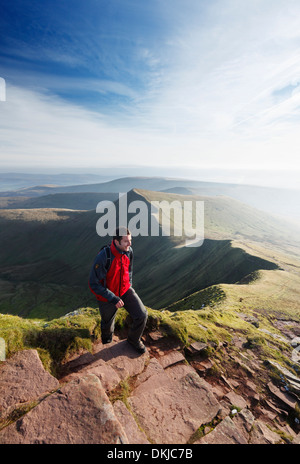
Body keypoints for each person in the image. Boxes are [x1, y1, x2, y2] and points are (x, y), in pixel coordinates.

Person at [89, 227, 148, 354]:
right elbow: (94, 284)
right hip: (107, 297)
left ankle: (133, 340)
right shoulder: (104, 256)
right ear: (116, 242)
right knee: (108, 325)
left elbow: (129, 271)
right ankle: (106, 346)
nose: (130, 244)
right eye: (126, 241)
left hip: (125, 290)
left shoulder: (129, 251)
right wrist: (113, 298)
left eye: (130, 240)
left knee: (142, 315)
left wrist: (129, 285)